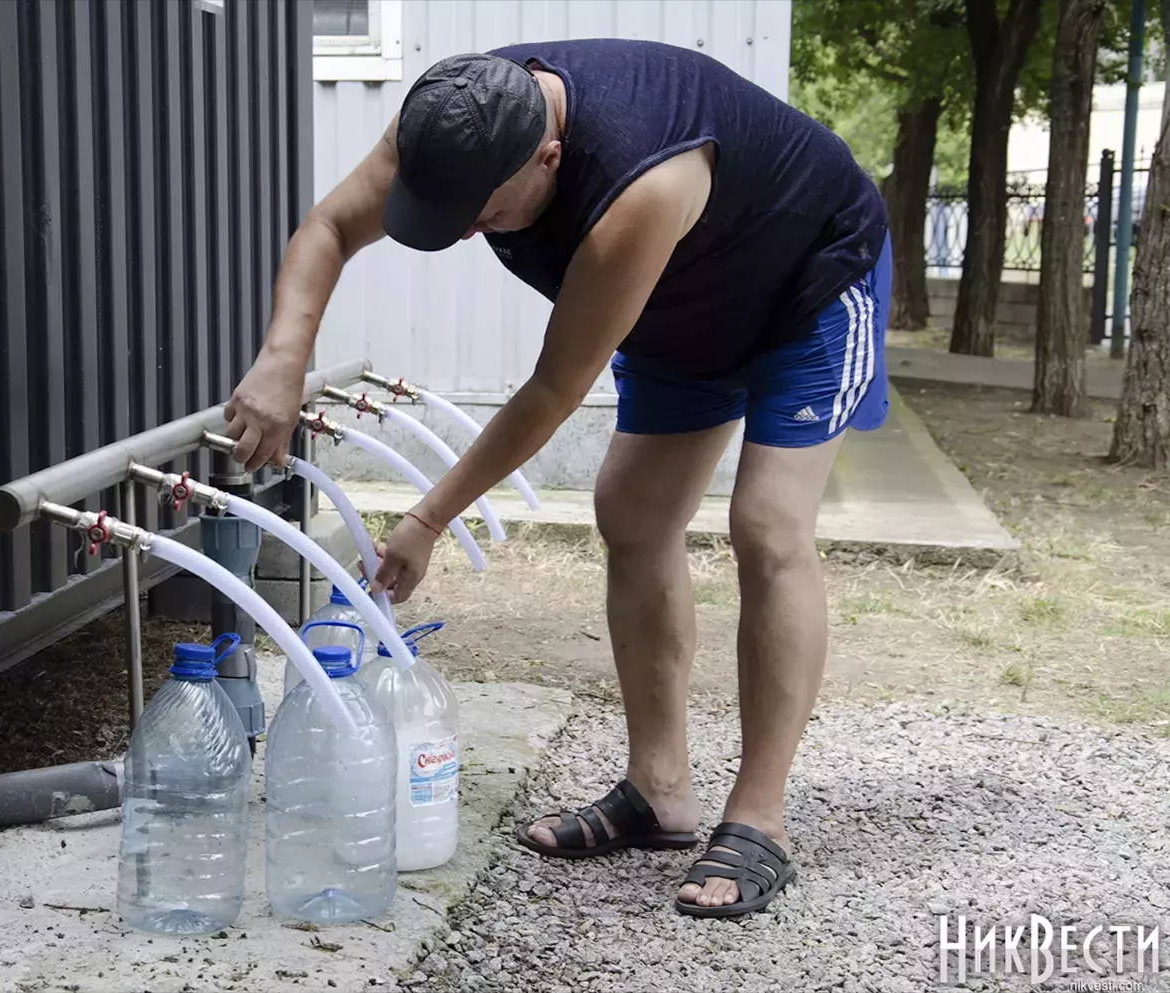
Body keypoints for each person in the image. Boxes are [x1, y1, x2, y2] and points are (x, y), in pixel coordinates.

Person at [222, 39, 890, 919]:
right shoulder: (450, 118)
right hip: (681, 301)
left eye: (481, 212)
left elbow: (550, 390)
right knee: (631, 511)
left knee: (766, 523)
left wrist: (427, 518)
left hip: (806, 282)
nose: (461, 229)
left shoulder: (641, 185)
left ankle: (760, 817)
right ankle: (659, 792)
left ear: (546, 155)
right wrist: (282, 355)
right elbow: (332, 225)